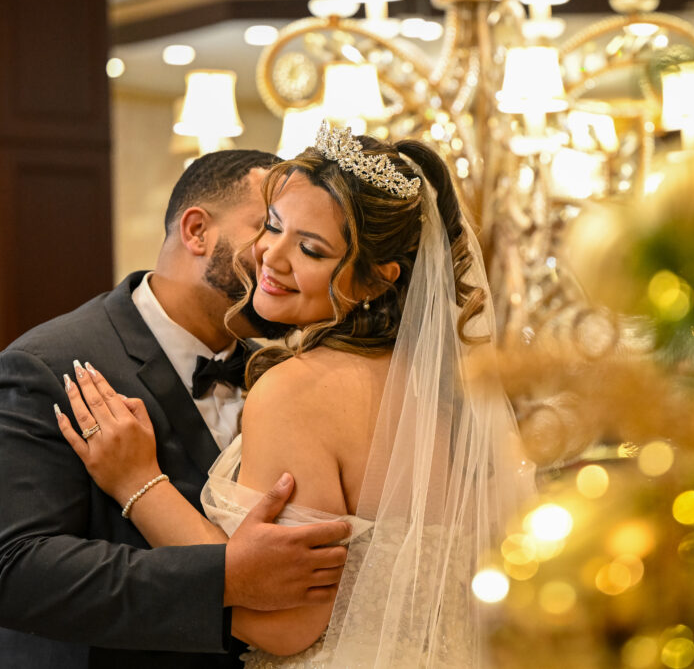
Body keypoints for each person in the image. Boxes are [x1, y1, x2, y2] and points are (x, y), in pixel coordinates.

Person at [57, 122, 535, 667]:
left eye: (310, 249)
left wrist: (139, 485)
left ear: (377, 279)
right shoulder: (462, 389)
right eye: (273, 225)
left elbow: (286, 626)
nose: (271, 256)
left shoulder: (299, 390)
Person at [0, 150, 352, 669]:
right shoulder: (50, 365)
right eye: (268, 226)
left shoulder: (284, 374)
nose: (277, 254)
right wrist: (225, 576)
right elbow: (15, 569)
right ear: (196, 231)